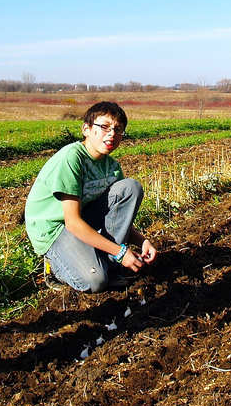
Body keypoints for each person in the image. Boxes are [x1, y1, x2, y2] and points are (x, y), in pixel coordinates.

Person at [25, 101, 157, 292]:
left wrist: (142, 241)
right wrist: (121, 251)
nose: (112, 134)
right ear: (86, 129)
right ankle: (55, 268)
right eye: (104, 127)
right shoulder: (71, 159)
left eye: (118, 129)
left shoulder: (111, 167)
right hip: (55, 228)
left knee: (130, 188)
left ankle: (109, 263)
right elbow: (72, 223)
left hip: (82, 218)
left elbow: (117, 218)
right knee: (95, 281)